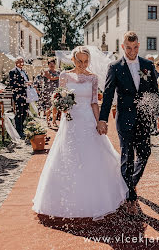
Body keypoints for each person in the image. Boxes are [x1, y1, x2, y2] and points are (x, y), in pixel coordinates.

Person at [33, 46, 128, 219]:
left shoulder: (93, 78)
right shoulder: (64, 76)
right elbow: (59, 97)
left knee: (92, 156)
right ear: (73, 60)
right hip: (69, 121)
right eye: (79, 61)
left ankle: (95, 197)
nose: (83, 64)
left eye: (86, 61)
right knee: (67, 155)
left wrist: (100, 122)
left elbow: (93, 102)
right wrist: (61, 105)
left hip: (87, 120)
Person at [97, 31, 158, 215]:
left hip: (144, 117)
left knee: (145, 153)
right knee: (128, 156)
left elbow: (153, 92)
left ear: (139, 46)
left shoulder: (147, 65)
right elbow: (108, 95)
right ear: (123, 47)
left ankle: (130, 182)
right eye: (128, 48)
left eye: (135, 47)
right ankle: (130, 195)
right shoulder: (115, 67)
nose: (132, 51)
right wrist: (102, 119)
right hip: (124, 118)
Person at [9, 57, 31, 138]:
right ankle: (18, 131)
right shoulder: (12, 71)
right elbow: (12, 84)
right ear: (16, 63)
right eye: (20, 61)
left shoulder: (24, 71)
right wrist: (24, 84)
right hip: (18, 95)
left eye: (23, 61)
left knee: (25, 112)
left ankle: (21, 128)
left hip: (26, 95)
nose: (22, 63)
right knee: (19, 113)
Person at [42, 58, 60, 126]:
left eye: (53, 64)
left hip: (56, 92)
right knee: (48, 107)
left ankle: (54, 121)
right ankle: (48, 121)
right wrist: (60, 76)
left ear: (55, 64)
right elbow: (51, 78)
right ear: (48, 65)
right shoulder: (46, 71)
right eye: (50, 64)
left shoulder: (58, 72)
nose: (52, 65)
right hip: (48, 92)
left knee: (55, 107)